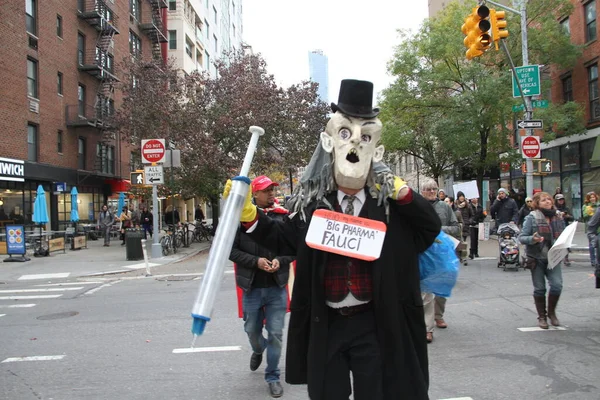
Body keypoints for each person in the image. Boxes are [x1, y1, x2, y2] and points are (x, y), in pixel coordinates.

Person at [229, 79, 441, 400]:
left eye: (364, 137)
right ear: (329, 142)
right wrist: (248, 216)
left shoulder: (389, 208)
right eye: (345, 134)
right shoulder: (314, 205)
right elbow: (278, 238)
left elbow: (429, 228)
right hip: (327, 324)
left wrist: (404, 193)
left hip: (375, 323)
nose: (354, 146)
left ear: (376, 150)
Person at [229, 175, 294, 398]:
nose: (271, 194)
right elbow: (231, 251)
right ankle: (258, 349)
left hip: (277, 287)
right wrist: (255, 261)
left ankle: (273, 377)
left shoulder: (283, 218)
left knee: (276, 333)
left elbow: (291, 249)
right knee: (252, 330)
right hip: (253, 288)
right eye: (266, 190)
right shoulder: (240, 220)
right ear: (254, 194)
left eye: (272, 190)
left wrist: (280, 260)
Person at [518, 192, 566, 329]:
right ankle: (542, 317)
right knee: (540, 288)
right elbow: (522, 237)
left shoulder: (558, 217)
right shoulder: (531, 218)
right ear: (537, 203)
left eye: (549, 200)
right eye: (543, 200)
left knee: (557, 285)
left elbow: (563, 235)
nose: (547, 202)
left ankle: (552, 313)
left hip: (554, 257)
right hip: (537, 258)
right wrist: (532, 239)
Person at [423, 180, 460, 341]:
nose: (431, 192)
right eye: (428, 189)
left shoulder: (445, 207)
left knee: (441, 289)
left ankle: (439, 315)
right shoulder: (417, 206)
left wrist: (439, 229)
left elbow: (456, 227)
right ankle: (427, 328)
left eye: (434, 189)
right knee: (426, 291)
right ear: (422, 191)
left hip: (442, 252)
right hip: (424, 253)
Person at [554, 194, 574, 266]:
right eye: (559, 199)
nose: (561, 201)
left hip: (565, 227)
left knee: (566, 243)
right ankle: (556, 258)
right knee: (557, 243)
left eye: (562, 199)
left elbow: (572, 217)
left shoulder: (566, 208)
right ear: (556, 200)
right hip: (556, 227)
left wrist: (566, 216)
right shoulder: (554, 208)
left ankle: (566, 258)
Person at [582, 191, 599, 267]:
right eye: (591, 197)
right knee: (592, 244)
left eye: (593, 197)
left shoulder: (598, 206)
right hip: (590, 227)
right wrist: (587, 212)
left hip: (598, 228)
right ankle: (593, 260)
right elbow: (584, 217)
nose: (592, 199)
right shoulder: (586, 206)